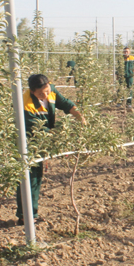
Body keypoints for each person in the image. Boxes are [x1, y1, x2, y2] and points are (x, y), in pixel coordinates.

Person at [16, 74, 87, 226]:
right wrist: (61, 137)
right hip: (29, 142)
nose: (46, 95)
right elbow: (35, 130)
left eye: (47, 91)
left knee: (36, 176)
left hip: (43, 140)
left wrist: (79, 116)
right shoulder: (26, 104)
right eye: (42, 94)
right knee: (29, 177)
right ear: (32, 91)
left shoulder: (51, 90)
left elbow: (66, 104)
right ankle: (26, 216)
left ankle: (30, 214)